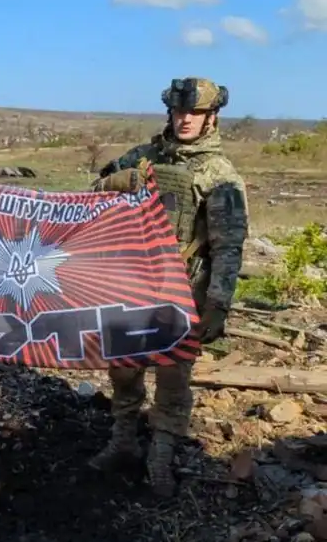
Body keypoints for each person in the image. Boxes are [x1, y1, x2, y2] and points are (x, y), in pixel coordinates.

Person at [89, 77, 249, 496]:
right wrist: (114, 182)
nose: (185, 120)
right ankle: (123, 441)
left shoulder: (220, 175)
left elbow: (228, 247)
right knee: (123, 370)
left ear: (211, 118)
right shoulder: (143, 157)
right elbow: (92, 195)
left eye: (194, 114)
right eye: (180, 112)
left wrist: (217, 304)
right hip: (132, 286)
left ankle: (160, 456)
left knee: (173, 379)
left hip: (181, 294)